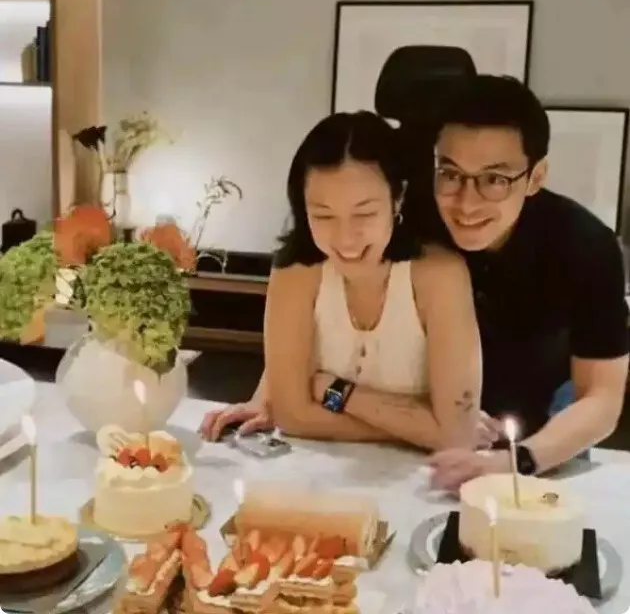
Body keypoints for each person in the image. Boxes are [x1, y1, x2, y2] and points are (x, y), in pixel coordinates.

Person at [200, 110, 483, 450]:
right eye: (323, 216)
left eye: (364, 213)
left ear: (398, 198)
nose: (346, 240)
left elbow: (455, 436)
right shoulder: (296, 272)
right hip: (314, 467)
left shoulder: (439, 276)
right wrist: (424, 428)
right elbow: (292, 416)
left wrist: (334, 391)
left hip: (427, 474)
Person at [427, 74, 629, 490]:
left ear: (536, 177)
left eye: (495, 179)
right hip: (424, 436)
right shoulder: (412, 224)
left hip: (540, 445)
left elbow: (602, 399)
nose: (466, 203)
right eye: (450, 173)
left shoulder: (584, 245)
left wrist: (516, 462)